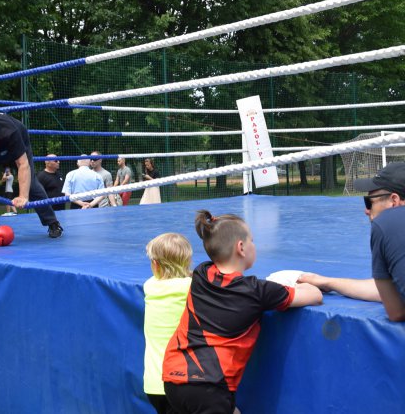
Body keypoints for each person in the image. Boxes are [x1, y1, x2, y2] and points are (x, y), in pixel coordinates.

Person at [162, 210, 322, 414]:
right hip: (209, 385)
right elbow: (315, 295)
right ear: (241, 247)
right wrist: (294, 280)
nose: (254, 245)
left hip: (173, 378)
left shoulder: (201, 274)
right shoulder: (257, 291)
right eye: (252, 241)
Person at [298, 162, 405, 322]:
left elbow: (396, 312)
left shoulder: (386, 223)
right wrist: (328, 282)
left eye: (369, 202)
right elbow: (390, 290)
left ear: (394, 201)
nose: (366, 210)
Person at [143, 233, 193, 414]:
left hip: (153, 384)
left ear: (155, 265)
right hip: (179, 382)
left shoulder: (150, 286)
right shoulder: (191, 287)